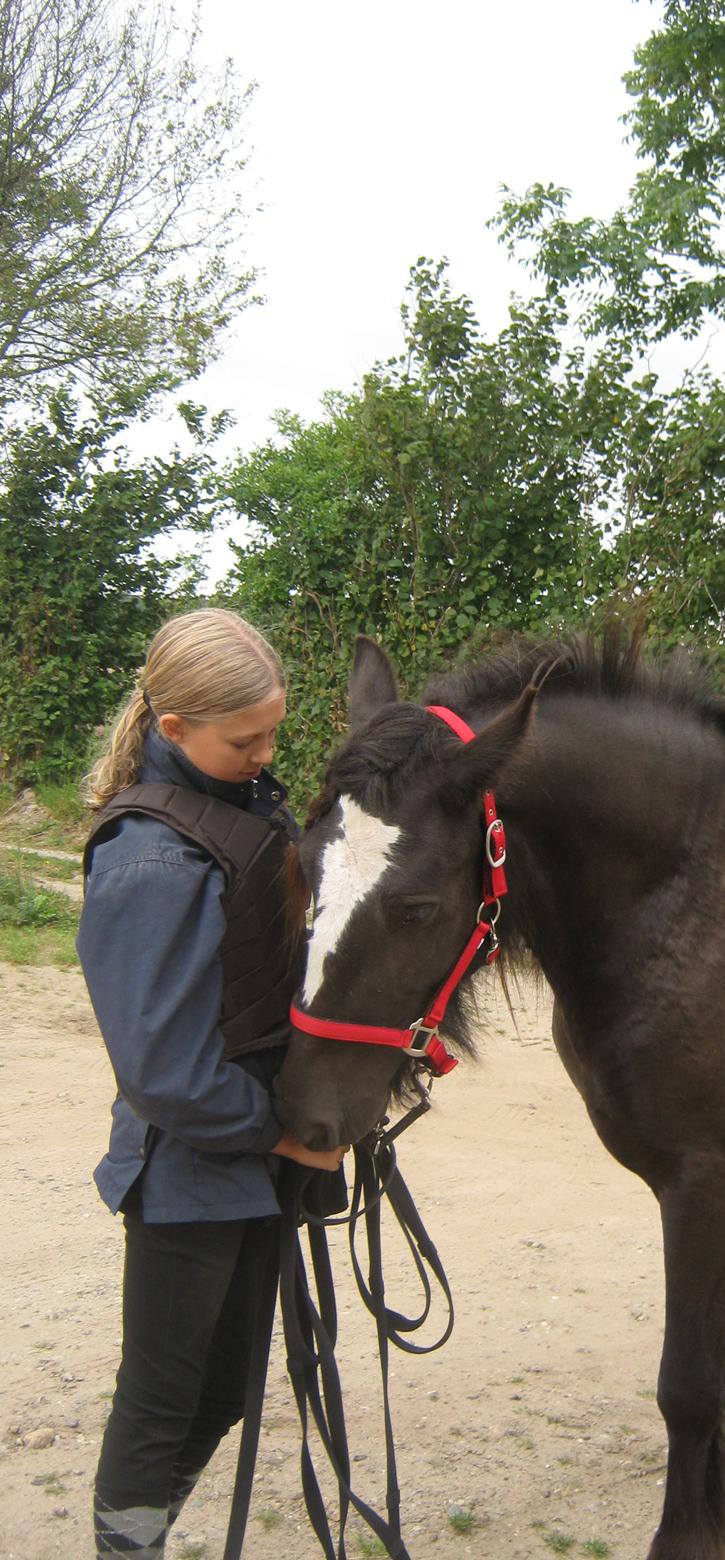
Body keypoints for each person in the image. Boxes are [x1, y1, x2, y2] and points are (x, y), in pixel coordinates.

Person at [78, 608, 347, 1558]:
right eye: (247, 739)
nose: (267, 751)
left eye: (273, 730)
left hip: (252, 1164)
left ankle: (138, 1541)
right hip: (191, 1175)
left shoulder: (240, 807)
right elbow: (160, 1068)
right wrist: (282, 1133)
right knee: (160, 1401)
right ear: (174, 728)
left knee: (228, 1388)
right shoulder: (148, 858)